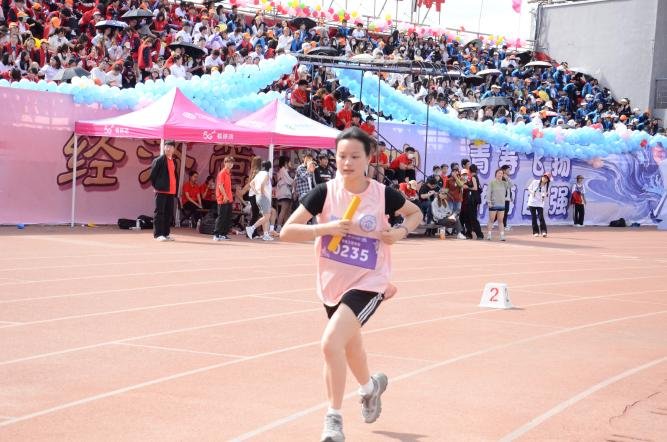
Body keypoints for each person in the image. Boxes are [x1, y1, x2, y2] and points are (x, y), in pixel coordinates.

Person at [279, 127, 422, 442]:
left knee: (331, 343)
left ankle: (333, 419)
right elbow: (287, 231)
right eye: (342, 156)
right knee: (350, 346)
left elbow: (414, 214)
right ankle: (371, 388)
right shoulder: (324, 193)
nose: (347, 162)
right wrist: (324, 229)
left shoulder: (383, 195)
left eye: (355, 156)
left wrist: (399, 232)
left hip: (369, 281)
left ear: (369, 158)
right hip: (333, 283)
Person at [149, 140, 177, 241]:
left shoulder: (174, 161)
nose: (168, 148)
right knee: (159, 212)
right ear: (164, 148)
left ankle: (166, 233)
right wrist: (157, 187)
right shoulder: (159, 160)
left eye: (170, 147)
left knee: (168, 213)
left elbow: (174, 175)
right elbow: (152, 176)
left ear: (174, 149)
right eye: (167, 146)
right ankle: (158, 234)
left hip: (171, 191)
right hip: (161, 190)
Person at [246, 161, 276, 241]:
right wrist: (262, 193)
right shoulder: (266, 174)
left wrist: (257, 192)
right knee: (267, 216)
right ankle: (251, 228)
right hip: (263, 197)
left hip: (258, 197)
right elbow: (262, 184)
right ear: (269, 167)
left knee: (265, 217)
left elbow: (251, 184)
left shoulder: (258, 174)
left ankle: (265, 234)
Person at [213, 156, 235, 241]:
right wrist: (225, 196)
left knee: (227, 217)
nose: (230, 164)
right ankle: (216, 234)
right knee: (221, 217)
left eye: (231, 163)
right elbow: (220, 186)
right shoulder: (222, 173)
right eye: (228, 162)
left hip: (229, 198)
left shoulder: (229, 173)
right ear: (225, 163)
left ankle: (223, 234)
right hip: (222, 198)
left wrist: (229, 197)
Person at [463, 164, 483, 240]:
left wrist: (467, 187)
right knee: (468, 216)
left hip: (473, 200)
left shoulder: (474, 177)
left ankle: (479, 234)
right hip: (472, 200)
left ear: (470, 170)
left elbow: (475, 188)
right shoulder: (474, 177)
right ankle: (469, 233)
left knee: (472, 217)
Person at [486, 169, 507, 241]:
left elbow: (511, 185)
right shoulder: (492, 182)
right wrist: (489, 202)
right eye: (499, 173)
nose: (500, 174)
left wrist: (506, 178)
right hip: (493, 204)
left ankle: (502, 236)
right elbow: (488, 192)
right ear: (496, 174)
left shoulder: (504, 183)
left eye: (501, 173)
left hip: (502, 204)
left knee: (501, 221)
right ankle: (489, 234)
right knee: (491, 220)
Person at [275, 156, 295, 232]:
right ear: (286, 162)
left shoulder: (283, 171)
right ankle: (279, 227)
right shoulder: (283, 170)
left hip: (285, 193)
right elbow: (289, 181)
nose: (290, 163)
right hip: (284, 193)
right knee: (284, 210)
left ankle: (286, 228)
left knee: (287, 211)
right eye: (289, 161)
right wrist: (295, 180)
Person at [501, 165, 513, 231]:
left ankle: (504, 225)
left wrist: (510, 196)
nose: (509, 171)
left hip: (507, 198)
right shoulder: (501, 177)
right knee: (502, 212)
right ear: (504, 170)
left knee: (505, 212)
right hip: (502, 198)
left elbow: (511, 186)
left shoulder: (507, 178)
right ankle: (504, 226)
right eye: (508, 170)